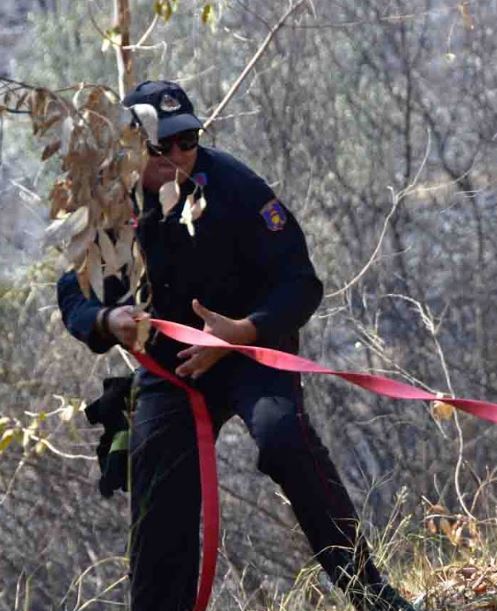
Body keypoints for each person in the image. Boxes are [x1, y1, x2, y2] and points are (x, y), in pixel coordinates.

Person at [57, 80, 416, 611]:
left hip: (249, 349)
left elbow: (300, 282)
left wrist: (245, 330)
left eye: (189, 141)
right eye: (164, 147)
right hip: (173, 369)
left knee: (283, 437)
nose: (180, 156)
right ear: (133, 147)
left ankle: (371, 593)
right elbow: (74, 295)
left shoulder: (236, 186)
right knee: (158, 486)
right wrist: (110, 319)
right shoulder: (110, 202)